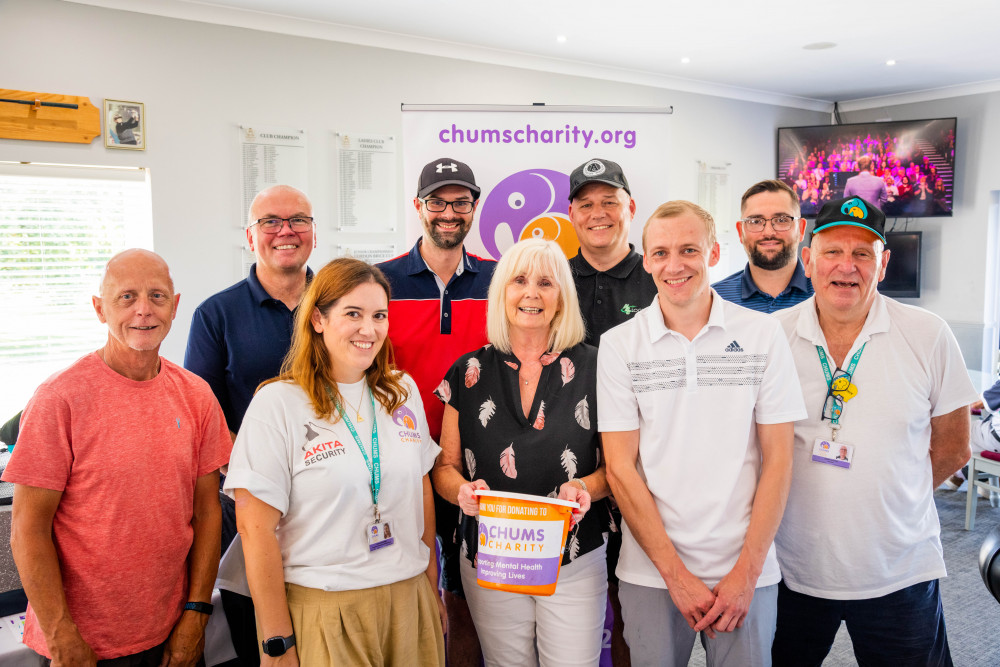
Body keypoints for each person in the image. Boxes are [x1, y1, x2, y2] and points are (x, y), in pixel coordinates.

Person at [771, 196, 978, 666]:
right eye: (832, 252)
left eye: (863, 254)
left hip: (899, 569)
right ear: (807, 259)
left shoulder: (928, 334)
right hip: (790, 568)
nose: (847, 266)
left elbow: (954, 445)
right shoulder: (772, 337)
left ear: (883, 264)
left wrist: (894, 499)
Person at [599, 201, 806, 667]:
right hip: (652, 572)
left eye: (689, 249)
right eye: (661, 252)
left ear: (713, 253)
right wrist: (676, 576)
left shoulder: (762, 335)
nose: (675, 265)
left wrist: (747, 572)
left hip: (746, 571)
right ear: (646, 260)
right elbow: (620, 469)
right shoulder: (619, 345)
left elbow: (779, 460)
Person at [2, 249, 231, 665]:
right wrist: (61, 636)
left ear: (175, 306)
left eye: (157, 296)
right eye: (126, 297)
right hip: (82, 645)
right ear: (99, 309)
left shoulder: (196, 396)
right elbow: (27, 529)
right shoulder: (59, 399)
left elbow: (207, 511)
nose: (144, 310)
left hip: (172, 630)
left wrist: (197, 614)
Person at [224, 258, 444, 665]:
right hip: (327, 607)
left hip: (409, 599)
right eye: (353, 314)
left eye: (379, 315)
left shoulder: (401, 391)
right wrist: (276, 643)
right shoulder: (278, 404)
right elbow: (254, 530)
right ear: (319, 319)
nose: (369, 329)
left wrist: (431, 585)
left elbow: (421, 489)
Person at [431, 238, 608, 667]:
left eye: (546, 283)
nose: (531, 293)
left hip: (574, 556)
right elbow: (444, 467)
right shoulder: (467, 371)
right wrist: (461, 492)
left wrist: (584, 486)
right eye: (520, 281)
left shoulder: (599, 367)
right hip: (493, 558)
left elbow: (617, 466)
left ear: (562, 296)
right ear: (501, 293)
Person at [184, 184, 315, 665]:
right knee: (261, 637)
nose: (286, 230)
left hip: (329, 498)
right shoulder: (216, 314)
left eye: (298, 219)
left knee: (322, 630)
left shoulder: (339, 304)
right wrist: (257, 473)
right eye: (270, 222)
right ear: (249, 235)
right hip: (249, 503)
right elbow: (204, 412)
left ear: (314, 234)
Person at [378, 157, 495, 666]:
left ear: (474, 209)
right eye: (438, 202)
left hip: (477, 468)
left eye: (461, 202)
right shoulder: (378, 280)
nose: (450, 213)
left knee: (471, 598)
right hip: (398, 468)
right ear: (419, 207)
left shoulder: (501, 280)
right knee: (408, 590)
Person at [566, 157, 656, 665]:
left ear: (630, 208)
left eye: (610, 202)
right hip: (568, 463)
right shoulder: (551, 279)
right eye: (586, 203)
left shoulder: (657, 276)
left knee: (633, 595)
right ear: (572, 213)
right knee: (568, 590)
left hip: (642, 462)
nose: (598, 213)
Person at [713, 179, 813, 313]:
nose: (768, 232)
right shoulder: (715, 300)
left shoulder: (827, 293)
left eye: (781, 220)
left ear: (801, 229)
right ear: (740, 232)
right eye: (755, 221)